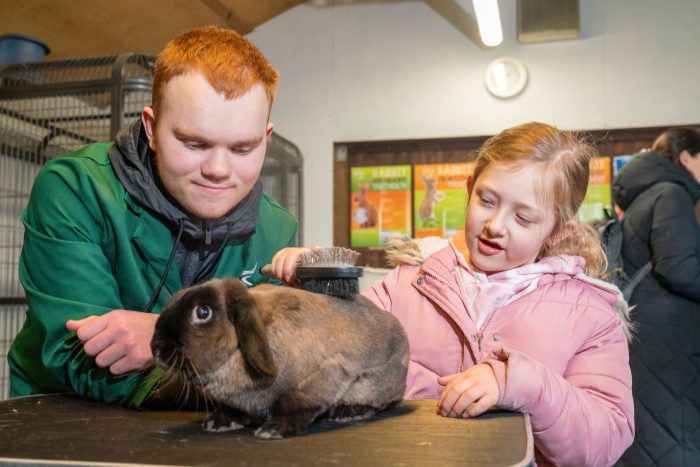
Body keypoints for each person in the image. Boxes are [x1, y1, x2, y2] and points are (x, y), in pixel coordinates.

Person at [271, 122, 634, 466]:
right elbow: (341, 349)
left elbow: (605, 441)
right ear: (469, 187)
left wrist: (521, 384)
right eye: (487, 200)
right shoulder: (410, 281)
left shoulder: (590, 315)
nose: (495, 225)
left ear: (557, 232)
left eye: (523, 219)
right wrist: (315, 287)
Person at [8, 26, 298, 408]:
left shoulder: (277, 229)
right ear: (152, 128)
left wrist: (165, 338)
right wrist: (234, 363)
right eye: (194, 144)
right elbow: (79, 354)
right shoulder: (74, 190)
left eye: (243, 149)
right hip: (63, 426)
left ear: (266, 137)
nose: (217, 169)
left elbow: (282, 356)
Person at [612, 128, 700, 466]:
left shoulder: (643, 196)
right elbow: (678, 268)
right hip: (669, 341)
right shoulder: (672, 193)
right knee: (673, 435)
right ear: (685, 156)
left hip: (645, 333)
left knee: (652, 436)